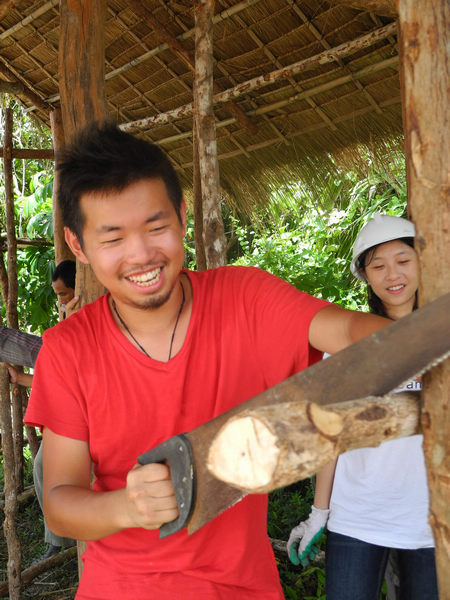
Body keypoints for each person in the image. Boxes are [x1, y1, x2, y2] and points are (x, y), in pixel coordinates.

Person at [24, 122, 393, 600]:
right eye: (113, 238)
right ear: (80, 247)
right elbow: (59, 505)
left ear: (181, 216)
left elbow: (344, 330)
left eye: (156, 227)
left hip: (245, 586)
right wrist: (128, 508)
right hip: (120, 588)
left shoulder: (245, 299)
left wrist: (423, 339)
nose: (141, 255)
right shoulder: (68, 348)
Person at [287, 214, 439, 600]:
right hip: (357, 519)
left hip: (431, 520)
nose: (393, 274)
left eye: (403, 260)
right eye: (379, 265)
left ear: (423, 261)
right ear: (366, 276)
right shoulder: (345, 342)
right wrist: (318, 513)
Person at [2, 260, 78, 560]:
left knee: (49, 467)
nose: (60, 299)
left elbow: (69, 370)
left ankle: (64, 541)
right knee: (43, 467)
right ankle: (61, 540)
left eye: (63, 293)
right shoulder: (68, 318)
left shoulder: (92, 317)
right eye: (57, 294)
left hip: (89, 413)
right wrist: (22, 378)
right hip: (71, 412)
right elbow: (60, 371)